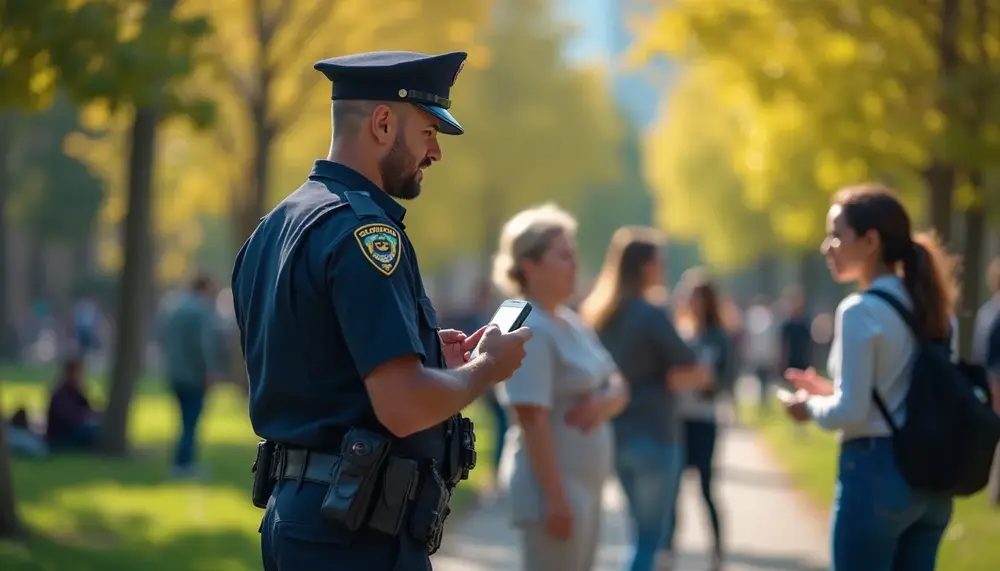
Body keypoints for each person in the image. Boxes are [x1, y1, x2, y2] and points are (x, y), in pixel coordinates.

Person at [230, 50, 532, 571]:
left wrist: (426, 356)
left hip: (301, 518)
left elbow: (317, 364)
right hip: (354, 534)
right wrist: (488, 369)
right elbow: (402, 406)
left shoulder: (277, 224)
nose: (435, 153)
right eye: (428, 132)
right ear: (384, 122)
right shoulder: (367, 235)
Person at [781, 183, 957, 571]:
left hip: (876, 473)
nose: (826, 247)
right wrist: (829, 392)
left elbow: (852, 413)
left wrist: (807, 407)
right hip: (932, 482)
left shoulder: (859, 310)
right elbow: (905, 391)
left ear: (870, 241)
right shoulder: (935, 308)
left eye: (836, 235)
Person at [492, 204, 628, 571]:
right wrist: (555, 498)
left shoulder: (570, 320)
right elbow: (531, 418)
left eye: (574, 255)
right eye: (564, 256)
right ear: (529, 265)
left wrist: (603, 402)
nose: (575, 265)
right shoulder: (529, 327)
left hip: (586, 488)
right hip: (554, 490)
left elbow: (617, 380)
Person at [578, 226, 710, 571]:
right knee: (651, 539)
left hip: (616, 434)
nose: (664, 269)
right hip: (656, 434)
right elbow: (691, 363)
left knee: (637, 532)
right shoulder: (651, 313)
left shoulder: (599, 314)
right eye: (660, 261)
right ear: (646, 266)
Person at [670, 268, 734, 570]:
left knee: (706, 487)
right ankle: (667, 550)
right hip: (678, 420)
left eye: (698, 296)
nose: (692, 301)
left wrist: (708, 383)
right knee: (673, 488)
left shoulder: (718, 337)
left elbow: (725, 378)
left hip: (704, 420)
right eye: (689, 295)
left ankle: (717, 550)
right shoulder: (680, 331)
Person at [157, 273, 226, 479]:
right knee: (191, 421)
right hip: (193, 375)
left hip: (175, 373)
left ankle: (181, 461)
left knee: (184, 420)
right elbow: (202, 345)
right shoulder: (200, 311)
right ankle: (185, 463)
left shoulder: (175, 307)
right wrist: (210, 371)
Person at [45, 357, 101, 451]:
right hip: (61, 436)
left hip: (72, 431)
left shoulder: (76, 392)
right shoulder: (61, 394)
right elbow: (69, 418)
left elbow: (87, 409)